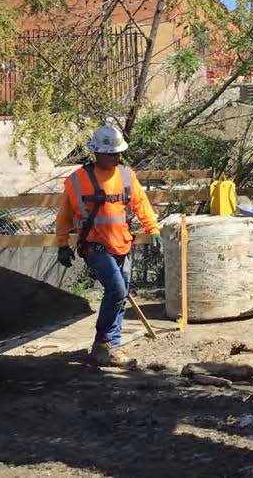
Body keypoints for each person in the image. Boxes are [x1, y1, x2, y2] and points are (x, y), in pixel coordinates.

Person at [54, 123, 162, 367]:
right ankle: (102, 344)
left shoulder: (126, 175)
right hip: (94, 245)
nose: (115, 157)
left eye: (117, 153)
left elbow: (141, 204)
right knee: (117, 290)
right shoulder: (77, 180)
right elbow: (64, 215)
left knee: (120, 295)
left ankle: (112, 346)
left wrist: (152, 228)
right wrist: (62, 244)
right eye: (110, 154)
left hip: (121, 242)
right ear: (96, 153)